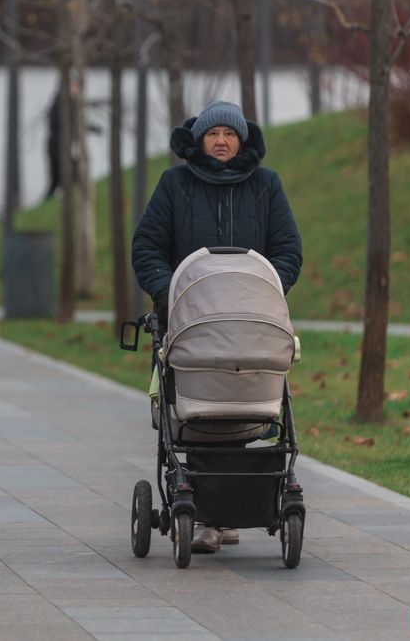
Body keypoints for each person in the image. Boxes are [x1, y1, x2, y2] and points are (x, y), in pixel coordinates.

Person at [131, 100, 303, 555]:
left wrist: (267, 291)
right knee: (199, 410)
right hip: (191, 325)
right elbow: (147, 246)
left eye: (230, 134)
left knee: (244, 409)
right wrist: (171, 294)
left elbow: (287, 248)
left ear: (242, 140)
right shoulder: (175, 185)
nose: (222, 142)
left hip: (251, 323)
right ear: (199, 140)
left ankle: (232, 510)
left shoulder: (266, 185)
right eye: (213, 135)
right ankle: (207, 515)